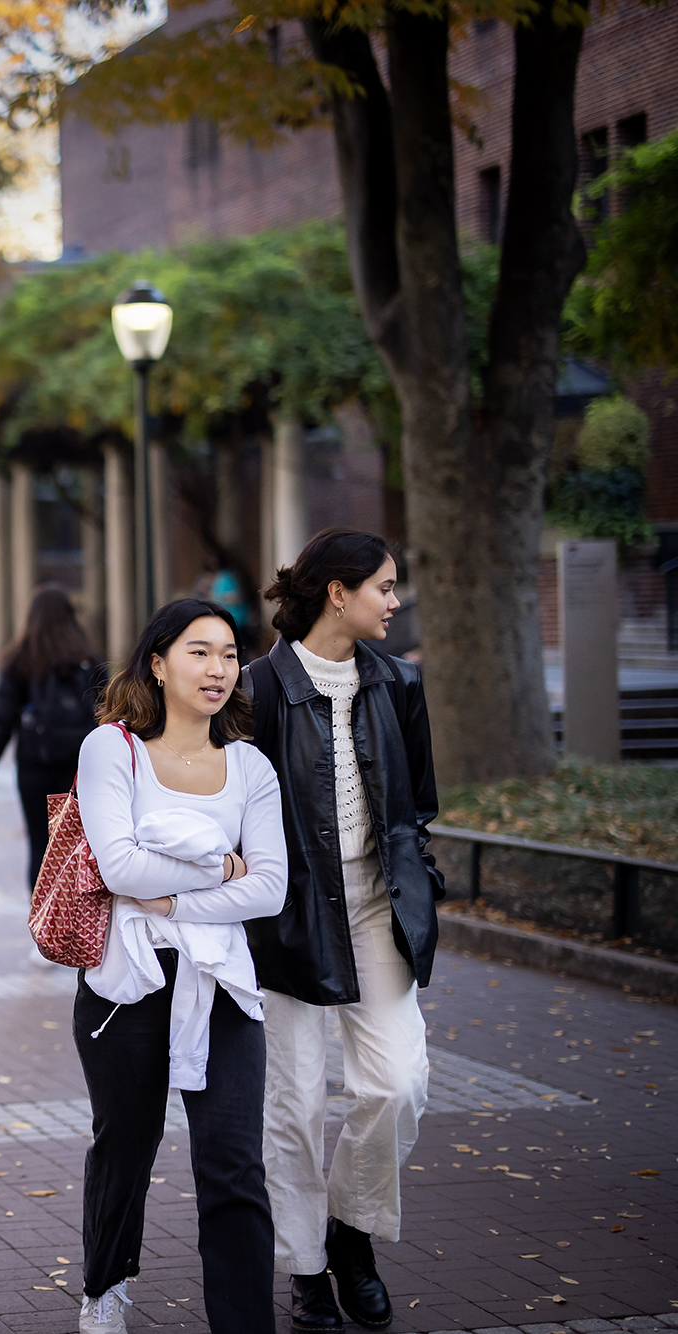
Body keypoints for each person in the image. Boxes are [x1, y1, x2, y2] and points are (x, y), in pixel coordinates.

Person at [72, 598, 287, 1333]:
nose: (219, 669)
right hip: (128, 984)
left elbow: (271, 887)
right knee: (125, 1146)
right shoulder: (112, 749)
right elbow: (120, 865)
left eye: (230, 654)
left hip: (220, 983)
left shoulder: (250, 766)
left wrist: (174, 903)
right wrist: (217, 867)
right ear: (158, 664)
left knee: (234, 1163)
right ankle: (104, 1286)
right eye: (200, 652)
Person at [246, 529, 442, 1331]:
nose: (395, 603)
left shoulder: (397, 683)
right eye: (384, 588)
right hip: (287, 923)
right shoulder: (256, 688)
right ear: (338, 591)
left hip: (375, 912)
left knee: (401, 1082)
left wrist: (418, 884)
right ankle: (306, 1267)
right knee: (293, 1105)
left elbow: (417, 806)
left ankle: (352, 1231)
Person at [0, 586, 105, 887]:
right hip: (80, 769)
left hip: (35, 769)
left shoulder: (21, 661)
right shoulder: (89, 660)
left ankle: (45, 924)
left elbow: (1, 722)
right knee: (79, 845)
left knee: (41, 847)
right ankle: (79, 920)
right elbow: (111, 717)